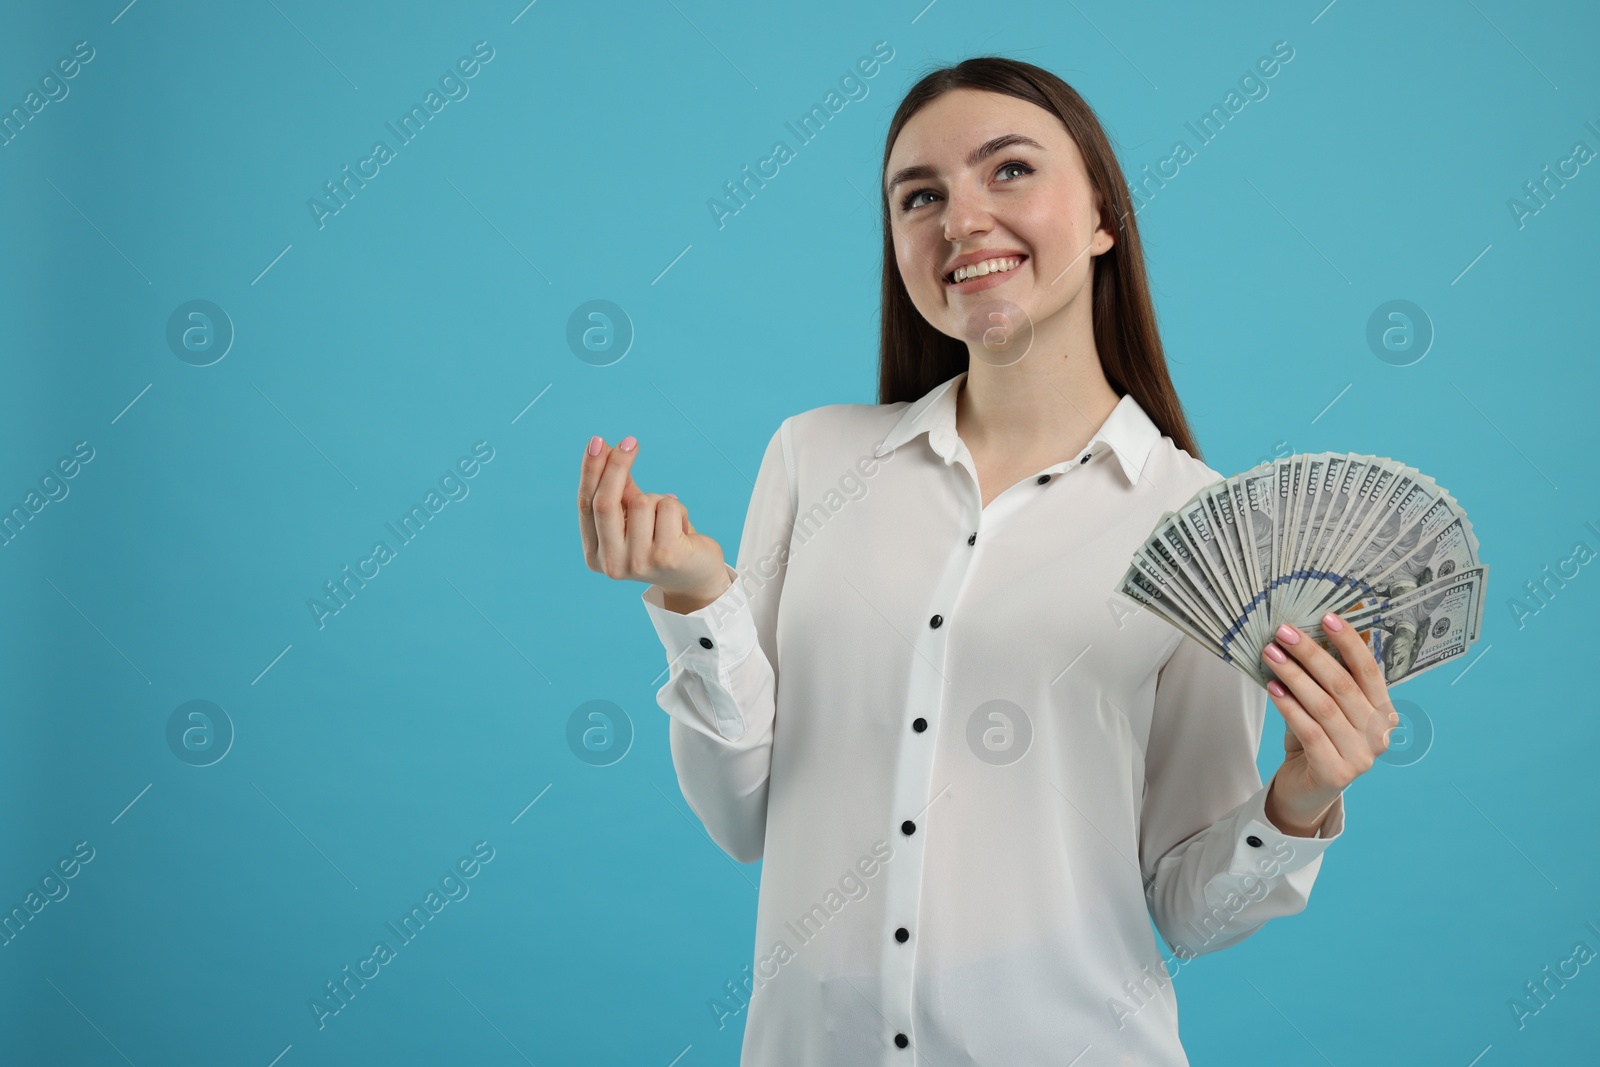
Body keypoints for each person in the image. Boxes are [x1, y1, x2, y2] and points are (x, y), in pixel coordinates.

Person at [578, 56, 1400, 1066]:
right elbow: (740, 815)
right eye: (919, 196)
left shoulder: (1202, 525)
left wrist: (1300, 797)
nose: (959, 219)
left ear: (1102, 216)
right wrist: (695, 599)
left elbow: (1190, 911)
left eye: (1007, 171)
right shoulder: (814, 457)